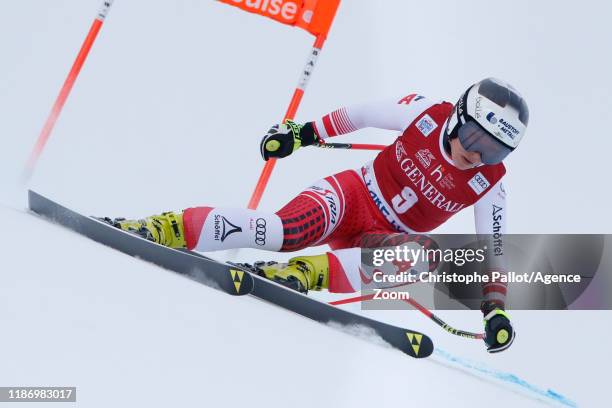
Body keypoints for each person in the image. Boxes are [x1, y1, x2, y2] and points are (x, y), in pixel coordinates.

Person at [104, 77, 529, 353]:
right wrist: (302, 135)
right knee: (281, 231)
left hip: (379, 244)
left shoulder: (490, 183)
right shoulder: (424, 114)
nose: (476, 154)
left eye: (494, 150)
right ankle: (165, 228)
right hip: (352, 196)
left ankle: (305, 273)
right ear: (458, 116)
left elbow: (494, 249)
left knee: (429, 255)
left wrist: (495, 309)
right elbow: (361, 115)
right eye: (475, 137)